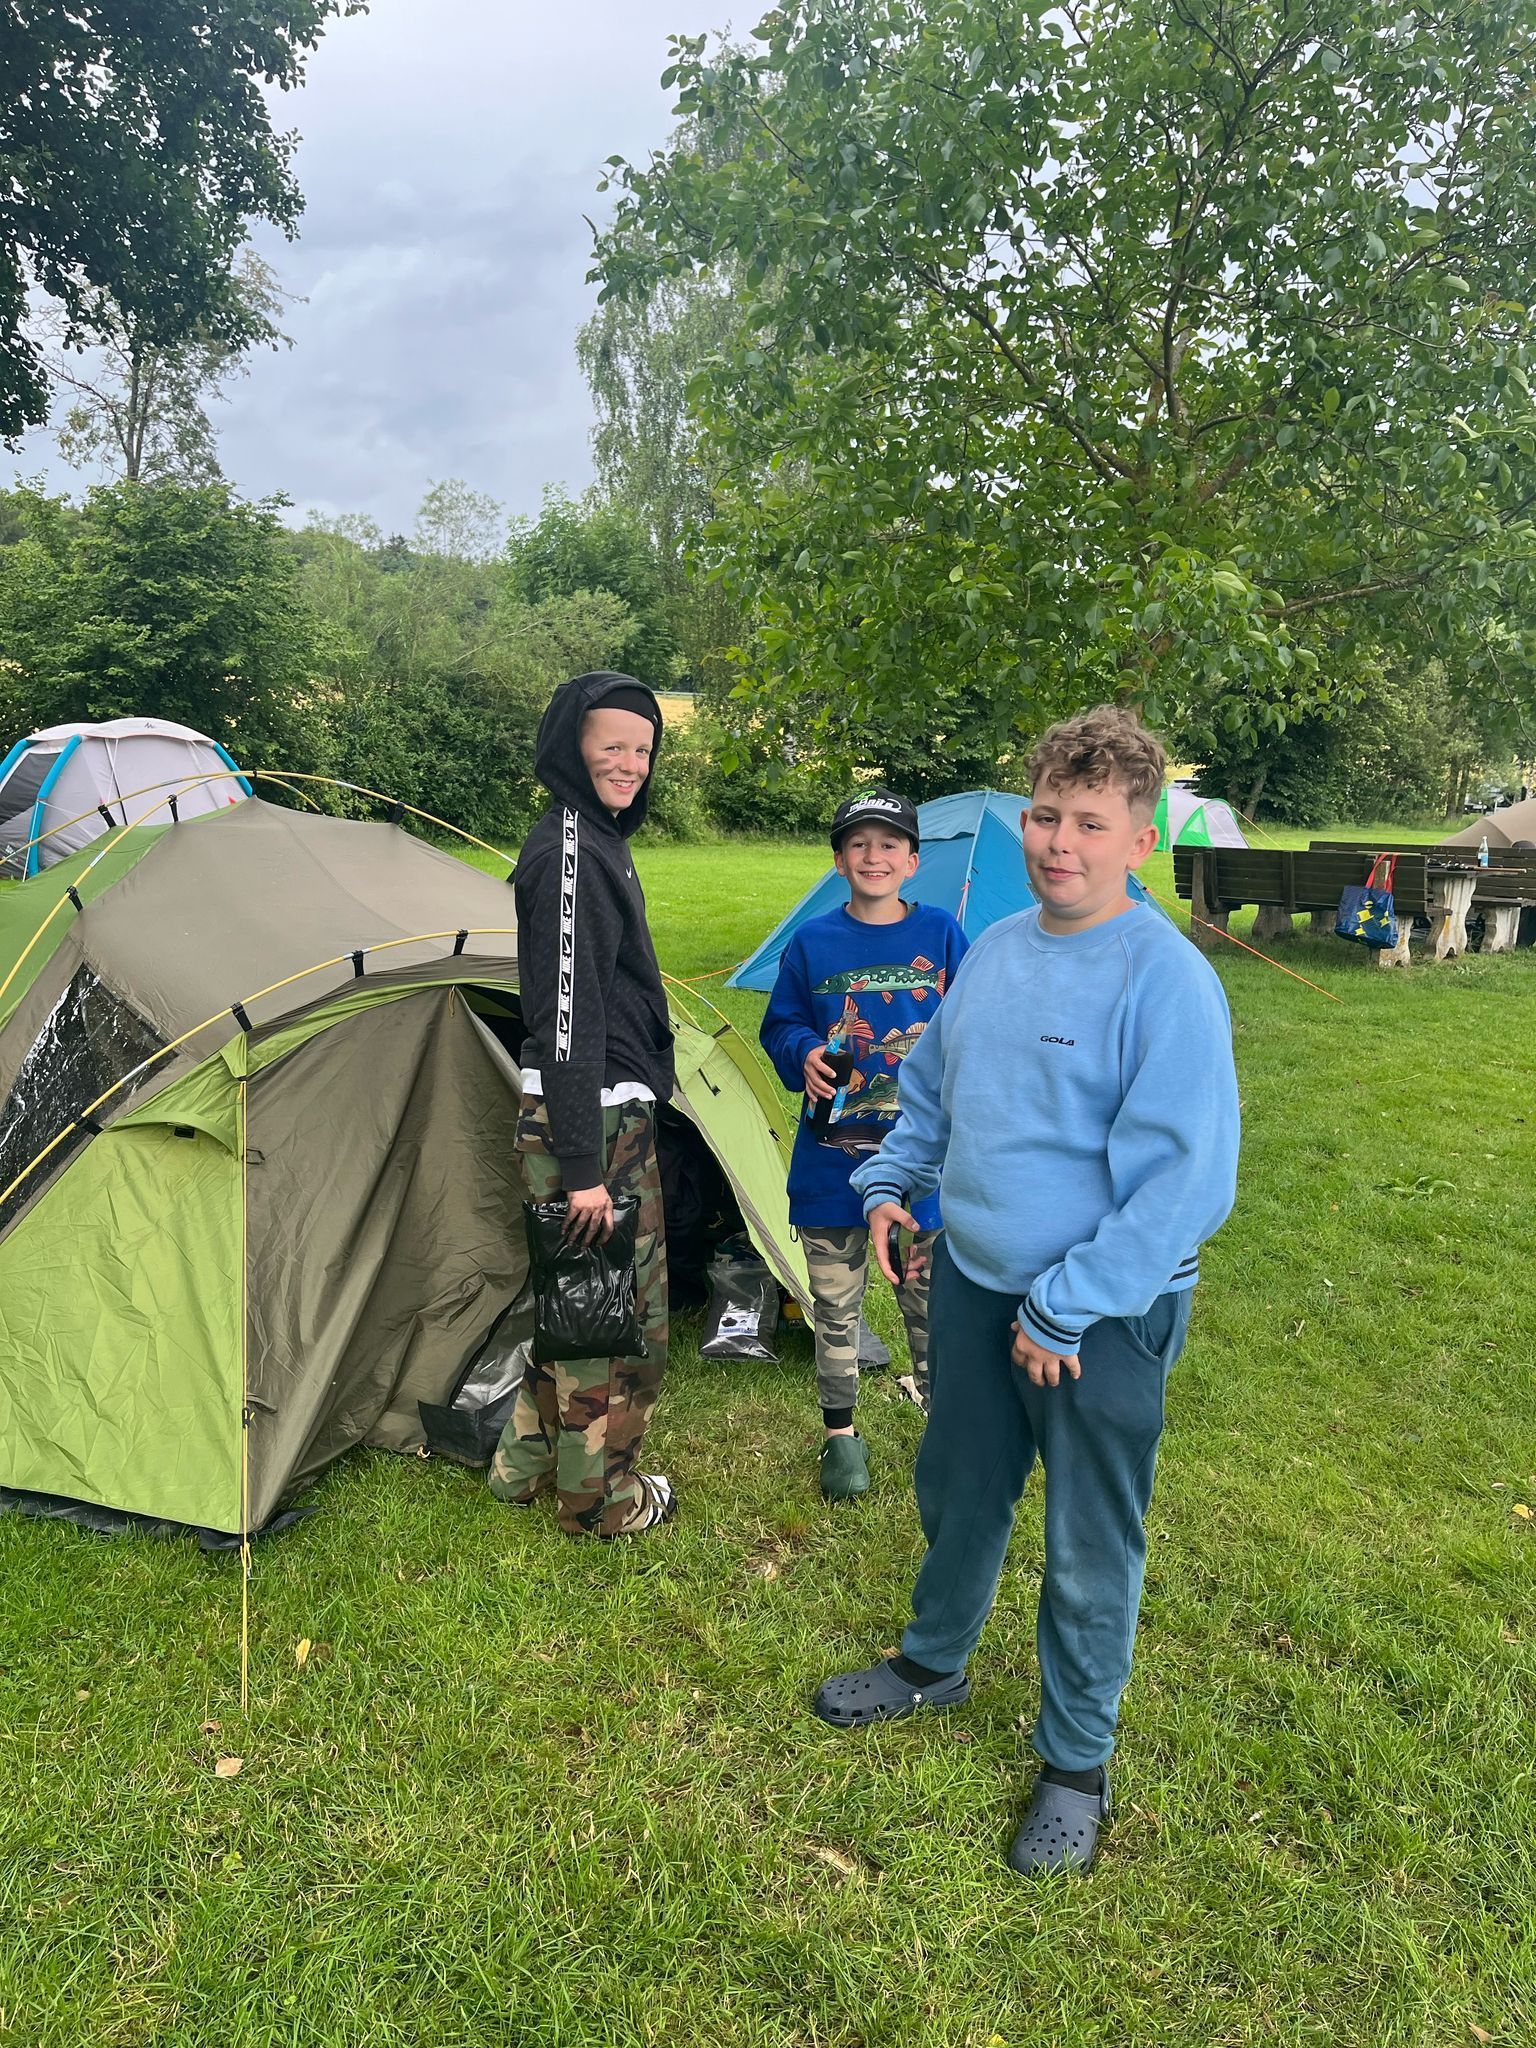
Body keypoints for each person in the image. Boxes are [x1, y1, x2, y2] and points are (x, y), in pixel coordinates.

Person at [811, 707, 1240, 1877]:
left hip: (1100, 1316)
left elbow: (1185, 1184)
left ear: (1140, 841)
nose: (1061, 841)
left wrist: (1068, 1303)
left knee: (1089, 1536)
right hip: (973, 1278)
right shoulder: (997, 948)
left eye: (1091, 823)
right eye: (1047, 814)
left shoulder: (1167, 980)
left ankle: (1076, 1761)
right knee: (959, 1483)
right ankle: (934, 1659)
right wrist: (893, 1180)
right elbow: (933, 1089)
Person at [488, 671, 676, 1538]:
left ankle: (522, 1466)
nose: (630, 763)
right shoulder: (571, 850)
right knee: (613, 1319)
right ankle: (598, 1503)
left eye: (643, 749)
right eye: (612, 745)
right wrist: (582, 1169)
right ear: (572, 746)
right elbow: (565, 1020)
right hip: (589, 1122)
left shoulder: (596, 841)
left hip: (605, 1112)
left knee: (576, 1303)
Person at [760, 790, 968, 1500]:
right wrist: (805, 1052)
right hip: (832, 1164)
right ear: (838, 860)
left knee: (931, 1307)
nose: (874, 856)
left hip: (925, 1169)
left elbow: (975, 1023)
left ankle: (946, 1427)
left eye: (889, 845)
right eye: (859, 844)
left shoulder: (942, 934)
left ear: (912, 861)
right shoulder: (813, 942)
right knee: (834, 1307)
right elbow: (780, 1025)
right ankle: (840, 1436)